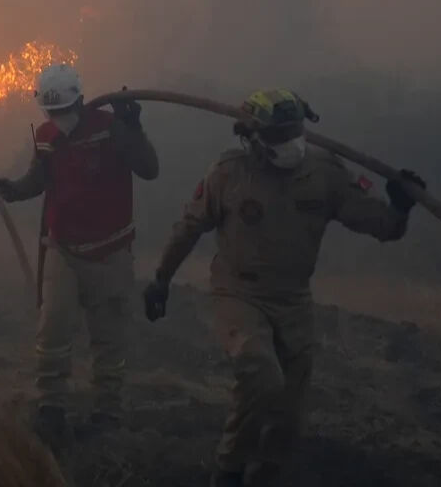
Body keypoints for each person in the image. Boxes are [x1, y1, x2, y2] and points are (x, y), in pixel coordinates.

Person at [142, 89, 426, 487]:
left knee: (288, 414)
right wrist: (161, 278)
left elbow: (379, 225)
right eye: (278, 135)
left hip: (293, 300)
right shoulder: (228, 174)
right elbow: (189, 227)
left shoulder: (326, 173)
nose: (290, 143)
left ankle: (265, 477)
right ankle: (228, 471)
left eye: (294, 131)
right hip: (238, 294)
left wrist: (399, 207)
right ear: (253, 138)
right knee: (261, 374)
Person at [0, 65, 159, 446]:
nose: (59, 119)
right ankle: (50, 407)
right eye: (52, 113)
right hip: (63, 249)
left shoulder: (111, 127)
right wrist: (16, 190)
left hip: (110, 250)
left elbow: (150, 169)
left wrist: (134, 132)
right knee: (52, 329)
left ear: (81, 101)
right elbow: (40, 179)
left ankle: (107, 411)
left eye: (65, 109)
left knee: (108, 338)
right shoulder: (48, 136)